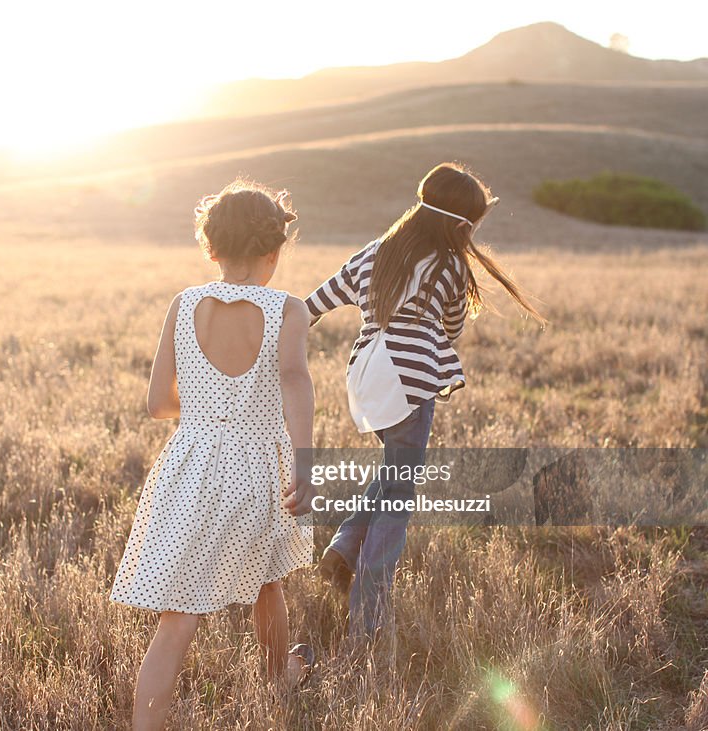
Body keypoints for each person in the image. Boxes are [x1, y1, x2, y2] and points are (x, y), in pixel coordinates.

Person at [110, 179, 317, 730]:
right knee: (268, 578)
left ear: (212, 249)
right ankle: (281, 674)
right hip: (259, 471)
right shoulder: (287, 310)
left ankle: (148, 725)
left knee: (177, 617)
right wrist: (305, 462)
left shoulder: (185, 304)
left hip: (190, 468)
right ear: (273, 252)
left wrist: (207, 407)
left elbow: (158, 403)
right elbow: (295, 381)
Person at [306, 162, 545, 638]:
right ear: (461, 226)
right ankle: (368, 620)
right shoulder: (452, 265)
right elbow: (451, 329)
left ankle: (343, 546)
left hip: (367, 379)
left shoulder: (375, 252)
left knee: (393, 472)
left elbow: (315, 304)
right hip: (412, 383)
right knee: (399, 497)